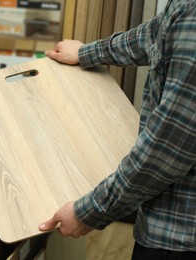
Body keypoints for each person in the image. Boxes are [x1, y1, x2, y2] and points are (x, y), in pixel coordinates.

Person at [39, 0, 196, 259]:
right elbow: (156, 34)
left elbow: (166, 151)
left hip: (179, 237)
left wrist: (89, 212)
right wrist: (87, 52)